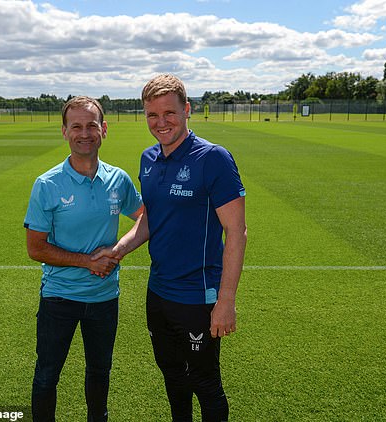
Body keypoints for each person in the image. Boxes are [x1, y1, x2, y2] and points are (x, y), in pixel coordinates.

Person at [93, 74, 247, 421]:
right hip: (159, 294)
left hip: (198, 297)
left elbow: (237, 231)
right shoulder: (148, 159)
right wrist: (118, 250)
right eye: (152, 115)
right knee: (174, 378)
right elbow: (150, 219)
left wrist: (226, 301)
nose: (161, 123)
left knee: (205, 383)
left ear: (187, 110)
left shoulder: (213, 159)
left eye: (169, 114)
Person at [24, 96, 143, 422]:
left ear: (104, 129)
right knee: (48, 374)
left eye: (92, 125)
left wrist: (117, 251)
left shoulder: (119, 179)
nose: (84, 133)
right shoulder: (47, 184)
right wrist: (87, 262)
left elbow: (145, 216)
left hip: (105, 298)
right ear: (64, 132)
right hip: (59, 297)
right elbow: (36, 248)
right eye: (76, 126)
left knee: (99, 372)